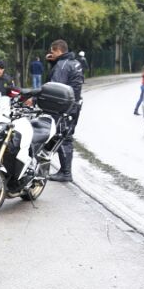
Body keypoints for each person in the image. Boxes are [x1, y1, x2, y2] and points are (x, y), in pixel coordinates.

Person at [44, 40, 84, 182]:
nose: (51, 54)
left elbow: (56, 87)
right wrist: (53, 63)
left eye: (53, 51)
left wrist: (37, 99)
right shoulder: (74, 63)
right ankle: (64, 171)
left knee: (63, 138)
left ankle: (65, 173)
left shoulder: (63, 65)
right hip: (74, 106)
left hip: (64, 107)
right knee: (64, 137)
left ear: (59, 51)